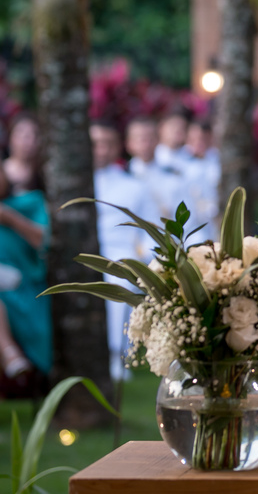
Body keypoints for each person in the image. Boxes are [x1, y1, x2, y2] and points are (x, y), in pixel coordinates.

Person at [91, 120, 157, 381]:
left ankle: (116, 354)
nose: (101, 150)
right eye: (95, 144)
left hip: (120, 256)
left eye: (107, 144)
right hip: (81, 254)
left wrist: (142, 259)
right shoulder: (73, 182)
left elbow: (149, 229)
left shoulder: (134, 186)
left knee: (118, 281)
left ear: (118, 147)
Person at [0, 166, 51, 397]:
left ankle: (11, 354)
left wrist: (11, 219)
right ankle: (10, 354)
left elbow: (44, 241)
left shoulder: (30, 203)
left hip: (24, 290)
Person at [126, 116, 189, 226]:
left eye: (150, 139)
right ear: (129, 143)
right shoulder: (124, 175)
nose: (146, 145)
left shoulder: (172, 175)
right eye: (140, 140)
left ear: (158, 140)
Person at [3, 113, 44, 196]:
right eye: (23, 136)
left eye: (35, 135)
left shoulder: (43, 173)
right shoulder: (2, 172)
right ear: (10, 137)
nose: (29, 142)